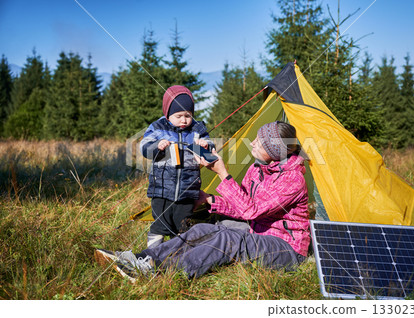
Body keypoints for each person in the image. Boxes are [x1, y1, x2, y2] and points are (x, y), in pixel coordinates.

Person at [95, 121, 310, 281]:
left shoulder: (292, 179)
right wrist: (210, 200)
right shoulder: (257, 169)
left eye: (260, 142)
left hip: (287, 248)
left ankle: (162, 272)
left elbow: (250, 211)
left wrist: (222, 173)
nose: (252, 143)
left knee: (228, 239)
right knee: (204, 230)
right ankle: (140, 258)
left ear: (274, 151)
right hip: (258, 231)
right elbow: (242, 203)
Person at [140, 85, 214, 248]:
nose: (184, 120)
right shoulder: (158, 127)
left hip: (188, 189)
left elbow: (209, 151)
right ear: (167, 114)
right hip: (161, 189)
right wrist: (157, 145)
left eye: (188, 115)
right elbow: (144, 148)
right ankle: (152, 253)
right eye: (178, 115)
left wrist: (204, 145)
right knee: (160, 224)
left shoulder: (197, 129)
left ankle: (177, 255)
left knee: (183, 225)